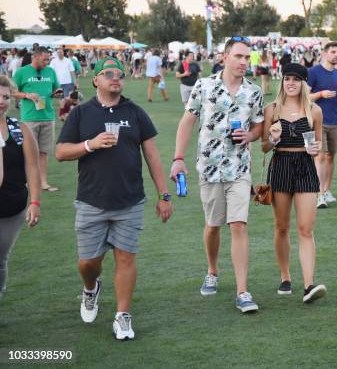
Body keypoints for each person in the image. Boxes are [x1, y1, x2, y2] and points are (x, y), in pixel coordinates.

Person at [55, 57, 173, 340]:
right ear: (95, 80)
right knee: (88, 263)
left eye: (119, 74)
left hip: (130, 201)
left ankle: (122, 316)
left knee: (126, 257)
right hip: (91, 201)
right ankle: (91, 288)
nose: (115, 78)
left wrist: (164, 194)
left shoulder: (135, 112)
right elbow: (60, 152)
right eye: (108, 74)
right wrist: (90, 144)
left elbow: (153, 156)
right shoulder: (81, 114)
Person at [170, 37, 264, 314]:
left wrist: (250, 135)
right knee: (213, 225)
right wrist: (178, 159)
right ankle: (212, 270)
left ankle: (242, 291)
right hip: (209, 167)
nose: (244, 62)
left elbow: (258, 126)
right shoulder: (204, 86)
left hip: (239, 169)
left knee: (238, 224)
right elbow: (188, 121)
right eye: (238, 56)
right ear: (224, 57)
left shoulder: (254, 92)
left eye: (247, 57)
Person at [261, 63, 327, 302]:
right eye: (287, 78)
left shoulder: (314, 111)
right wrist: (272, 137)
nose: (291, 83)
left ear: (303, 83)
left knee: (306, 229)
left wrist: (316, 148)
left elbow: (317, 145)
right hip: (280, 165)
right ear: (282, 81)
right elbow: (264, 146)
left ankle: (309, 285)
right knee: (281, 227)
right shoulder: (272, 109)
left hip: (305, 167)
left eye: (296, 79)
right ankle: (285, 276)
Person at [0, 76, 41, 300]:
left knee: (0, 257)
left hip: (12, 208)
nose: (1, 101)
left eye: (6, 97)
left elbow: (33, 168)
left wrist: (35, 202)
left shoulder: (20, 129)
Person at [12, 47, 63, 192]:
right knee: (28, 152)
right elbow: (12, 91)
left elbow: (56, 89)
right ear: (35, 57)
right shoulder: (22, 72)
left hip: (48, 116)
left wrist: (57, 94)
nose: (47, 62)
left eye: (48, 59)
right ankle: (27, 182)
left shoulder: (50, 71)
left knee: (43, 152)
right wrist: (27, 95)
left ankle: (43, 182)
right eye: (44, 59)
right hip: (29, 118)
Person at [306, 41, 337, 209]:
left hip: (336, 120)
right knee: (320, 156)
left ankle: (326, 190)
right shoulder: (313, 72)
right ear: (324, 54)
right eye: (332, 51)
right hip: (316, 122)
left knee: (330, 156)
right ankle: (318, 194)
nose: (336, 55)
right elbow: (304, 97)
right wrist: (321, 94)